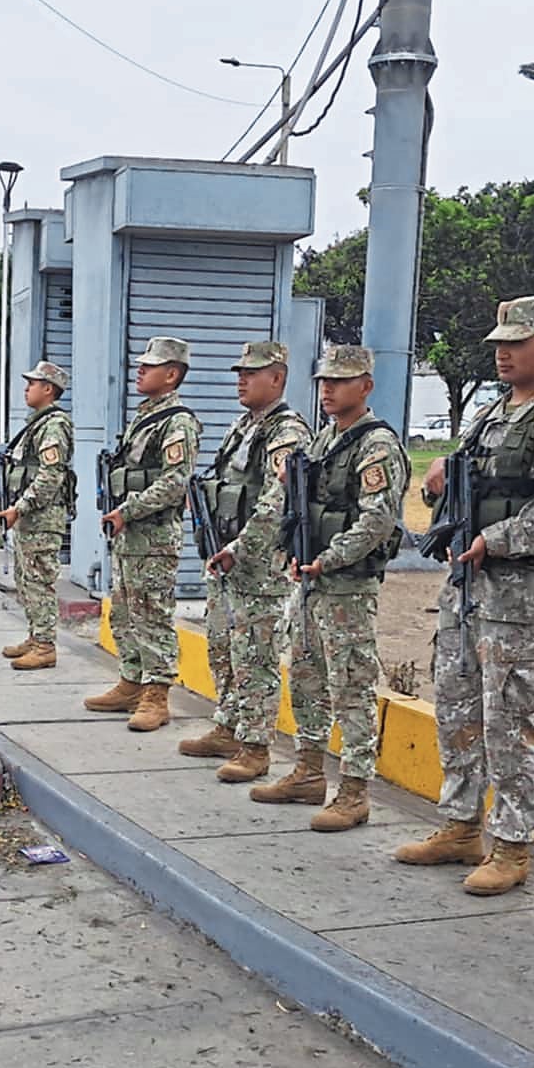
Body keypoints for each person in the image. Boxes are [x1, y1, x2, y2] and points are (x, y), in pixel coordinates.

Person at [396, 294, 534, 894]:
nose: (503, 354)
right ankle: (460, 826)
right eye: (499, 345)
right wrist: (440, 478)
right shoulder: (490, 416)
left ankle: (512, 846)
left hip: (521, 596)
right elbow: (466, 478)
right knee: (458, 708)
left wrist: (498, 538)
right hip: (467, 587)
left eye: (516, 343)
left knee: (508, 721)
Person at [249, 344, 408, 830]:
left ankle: (355, 789)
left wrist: (327, 559)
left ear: (366, 386)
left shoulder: (375, 445)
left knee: (351, 686)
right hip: (311, 581)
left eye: (339, 382)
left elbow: (377, 521)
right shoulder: (320, 443)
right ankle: (308, 769)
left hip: (347, 587)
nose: (328, 390)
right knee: (306, 675)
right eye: (323, 381)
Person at [181, 340, 313, 782]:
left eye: (251, 373)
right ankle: (228, 726)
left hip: (257, 565)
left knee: (255, 656)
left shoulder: (288, 432)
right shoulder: (242, 426)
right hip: (226, 559)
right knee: (222, 648)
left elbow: (276, 501)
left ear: (276, 378)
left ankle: (256, 747)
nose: (241, 379)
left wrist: (240, 549)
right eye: (239, 372)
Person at [84, 336, 202, 732]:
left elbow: (175, 481)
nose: (140, 370)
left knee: (152, 615)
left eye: (150, 366)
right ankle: (131, 681)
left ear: (171, 375)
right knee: (123, 612)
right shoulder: (145, 416)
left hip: (153, 539)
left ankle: (157, 694)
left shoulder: (177, 422)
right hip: (128, 537)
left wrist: (128, 510)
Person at [0, 360, 75, 672]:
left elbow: (50, 476)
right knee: (25, 579)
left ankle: (45, 646)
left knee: (39, 581)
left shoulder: (54, 426)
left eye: (33, 383)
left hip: (43, 518)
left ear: (48, 389)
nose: (27, 388)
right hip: (31, 518)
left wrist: (20, 507)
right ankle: (34, 635)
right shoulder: (38, 422)